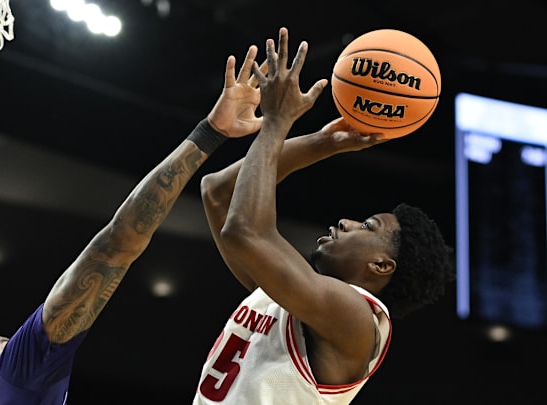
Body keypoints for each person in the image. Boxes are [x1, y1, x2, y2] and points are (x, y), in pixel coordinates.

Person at [0, 43, 266, 405]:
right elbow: (116, 245)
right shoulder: (14, 378)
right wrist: (209, 134)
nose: (16, 345)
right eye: (7, 344)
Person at [194, 27, 455, 404]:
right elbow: (218, 192)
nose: (347, 222)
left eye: (367, 226)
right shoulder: (289, 297)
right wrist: (324, 142)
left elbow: (244, 231)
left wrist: (277, 122)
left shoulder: (356, 320)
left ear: (382, 265)